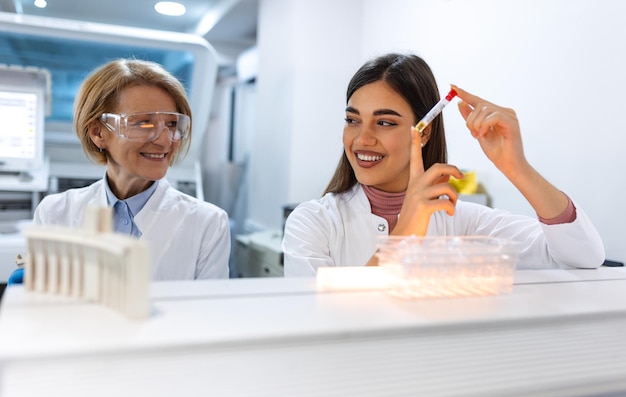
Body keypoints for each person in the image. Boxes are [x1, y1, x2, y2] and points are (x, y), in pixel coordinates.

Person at [282, 53, 605, 277]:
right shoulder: (313, 222)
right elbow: (320, 318)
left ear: (423, 133)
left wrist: (516, 166)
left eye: (385, 123)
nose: (361, 138)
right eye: (353, 120)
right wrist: (406, 232)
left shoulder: (463, 221)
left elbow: (584, 258)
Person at [33, 58, 230, 280]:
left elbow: (206, 313)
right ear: (98, 133)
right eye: (143, 123)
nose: (165, 140)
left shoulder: (208, 224)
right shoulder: (55, 213)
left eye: (172, 124)